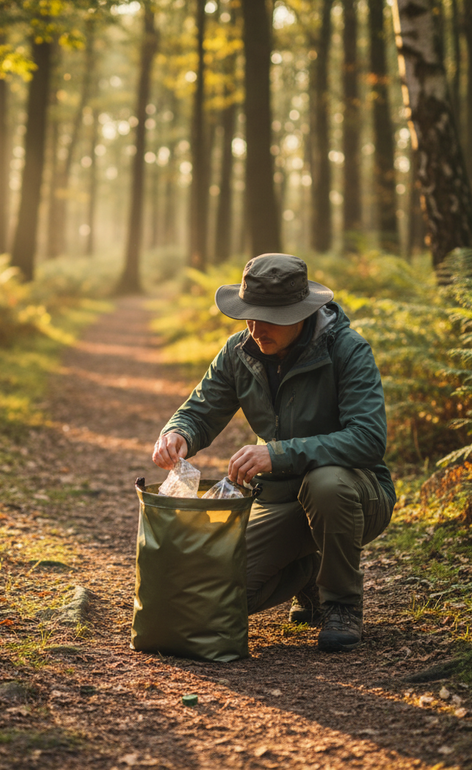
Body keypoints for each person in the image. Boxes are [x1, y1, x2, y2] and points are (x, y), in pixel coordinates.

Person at [152, 253, 396, 652]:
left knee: (326, 483)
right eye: (248, 314)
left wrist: (277, 455)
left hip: (355, 495)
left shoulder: (348, 351)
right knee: (213, 595)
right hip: (280, 498)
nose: (255, 326)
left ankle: (342, 605)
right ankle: (307, 574)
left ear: (300, 313)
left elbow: (368, 439)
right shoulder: (240, 351)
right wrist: (178, 433)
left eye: (268, 317)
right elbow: (200, 410)